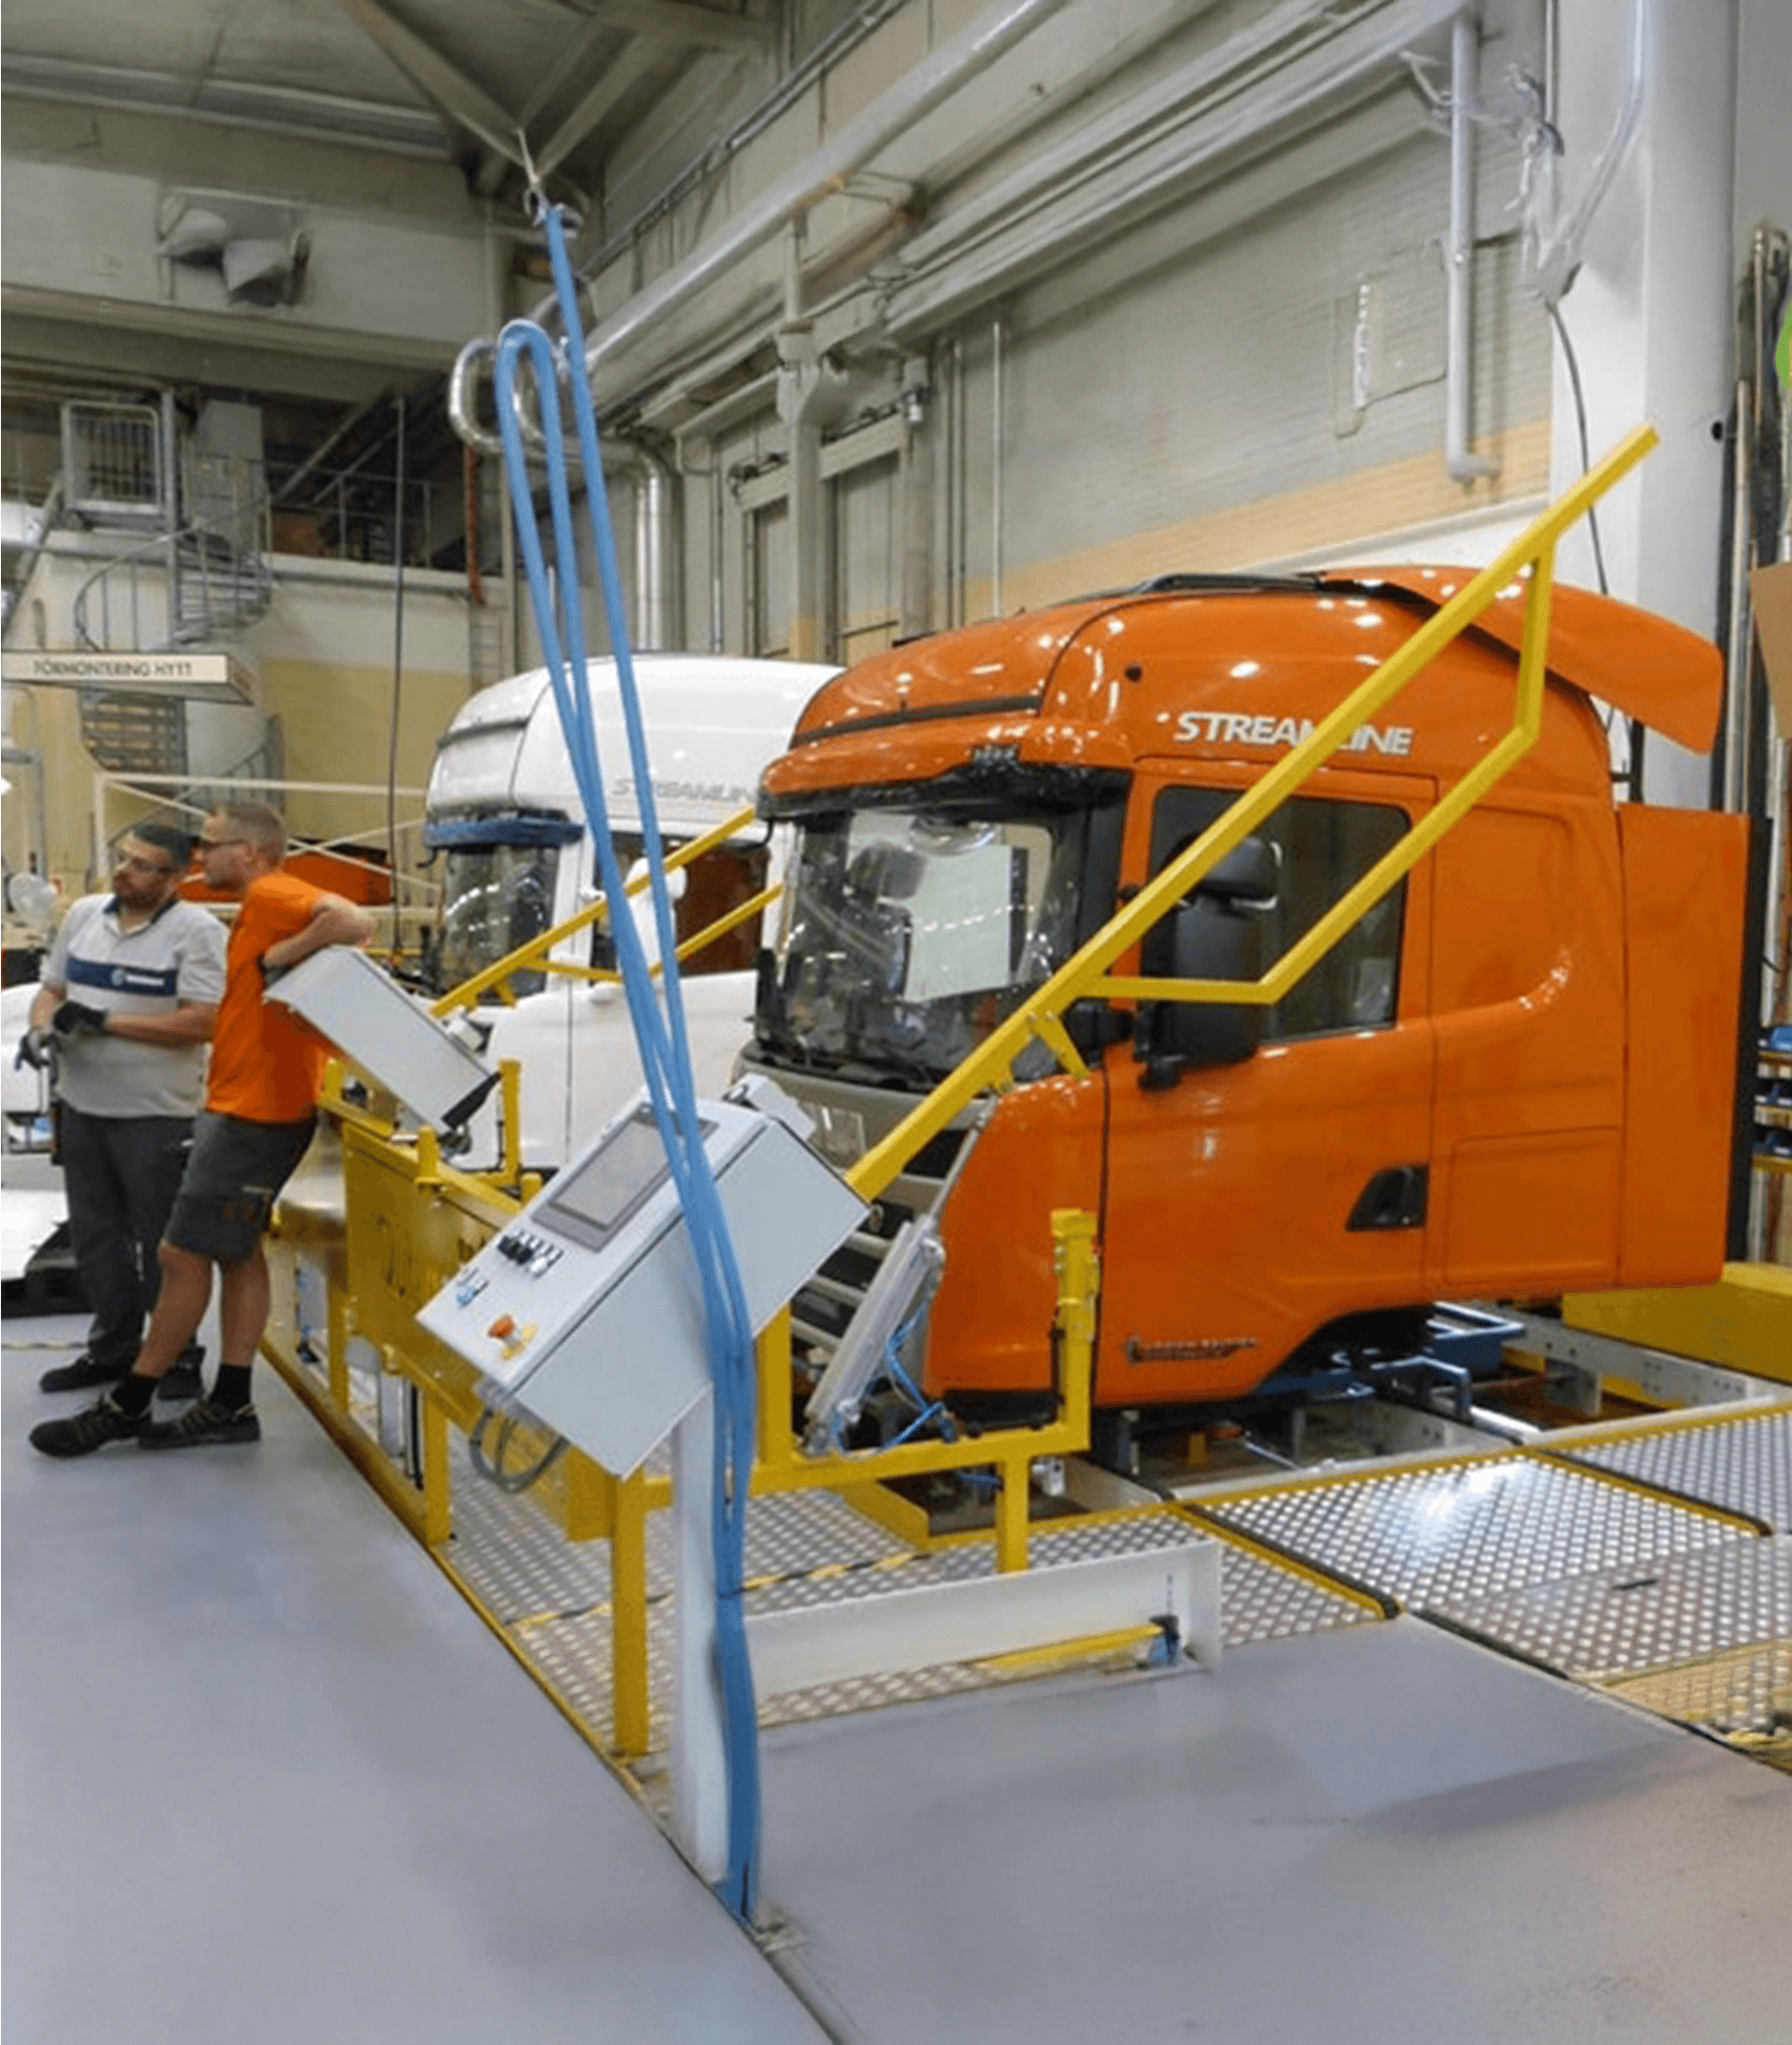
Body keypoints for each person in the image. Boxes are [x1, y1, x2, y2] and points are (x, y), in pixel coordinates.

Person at [30, 801, 374, 1458]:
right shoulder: (255, 903)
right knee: (236, 1254)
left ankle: (129, 1403)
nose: (202, 857)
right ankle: (230, 1402)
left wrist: (286, 953)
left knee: (179, 1254)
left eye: (212, 845)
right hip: (248, 1104)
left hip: (254, 1113)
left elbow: (355, 919)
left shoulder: (271, 892)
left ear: (249, 853)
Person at [17, 823, 226, 1404]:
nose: (125, 872)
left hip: (155, 1117)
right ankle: (112, 1348)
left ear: (174, 877)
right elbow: (53, 989)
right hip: (83, 1108)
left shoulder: (198, 933)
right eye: (124, 858)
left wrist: (107, 1022)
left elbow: (204, 1021)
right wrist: (40, 1028)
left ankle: (176, 1357)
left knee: (165, 1246)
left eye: (142, 865)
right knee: (97, 1238)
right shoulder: (86, 916)